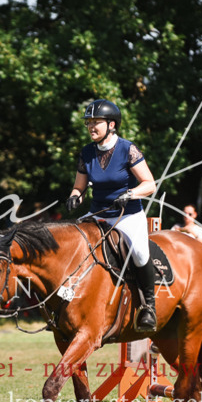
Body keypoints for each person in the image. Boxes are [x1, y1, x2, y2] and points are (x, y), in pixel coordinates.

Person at [66, 99, 159, 332]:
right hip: (98, 214)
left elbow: (150, 184)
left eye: (96, 122)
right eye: (88, 123)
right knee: (74, 244)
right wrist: (74, 196)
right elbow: (79, 186)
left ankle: (149, 307)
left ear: (112, 125)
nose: (91, 127)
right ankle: (67, 298)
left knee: (138, 253)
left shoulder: (128, 149)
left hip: (127, 215)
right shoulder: (86, 153)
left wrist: (130, 193)